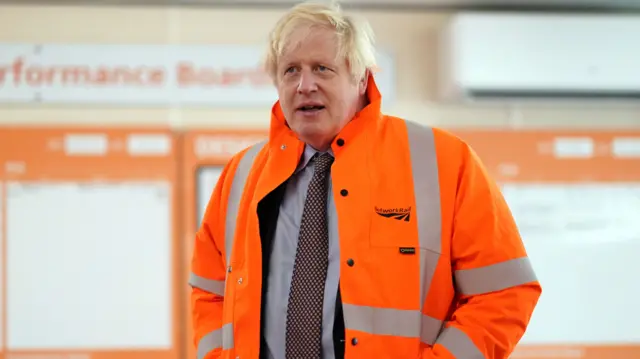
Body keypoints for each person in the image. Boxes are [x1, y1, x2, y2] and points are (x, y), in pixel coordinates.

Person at [189, 1, 542, 358]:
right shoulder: (241, 174)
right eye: (290, 71)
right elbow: (208, 290)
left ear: (361, 78)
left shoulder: (443, 162)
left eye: (322, 69)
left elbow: (505, 292)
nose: (304, 85)